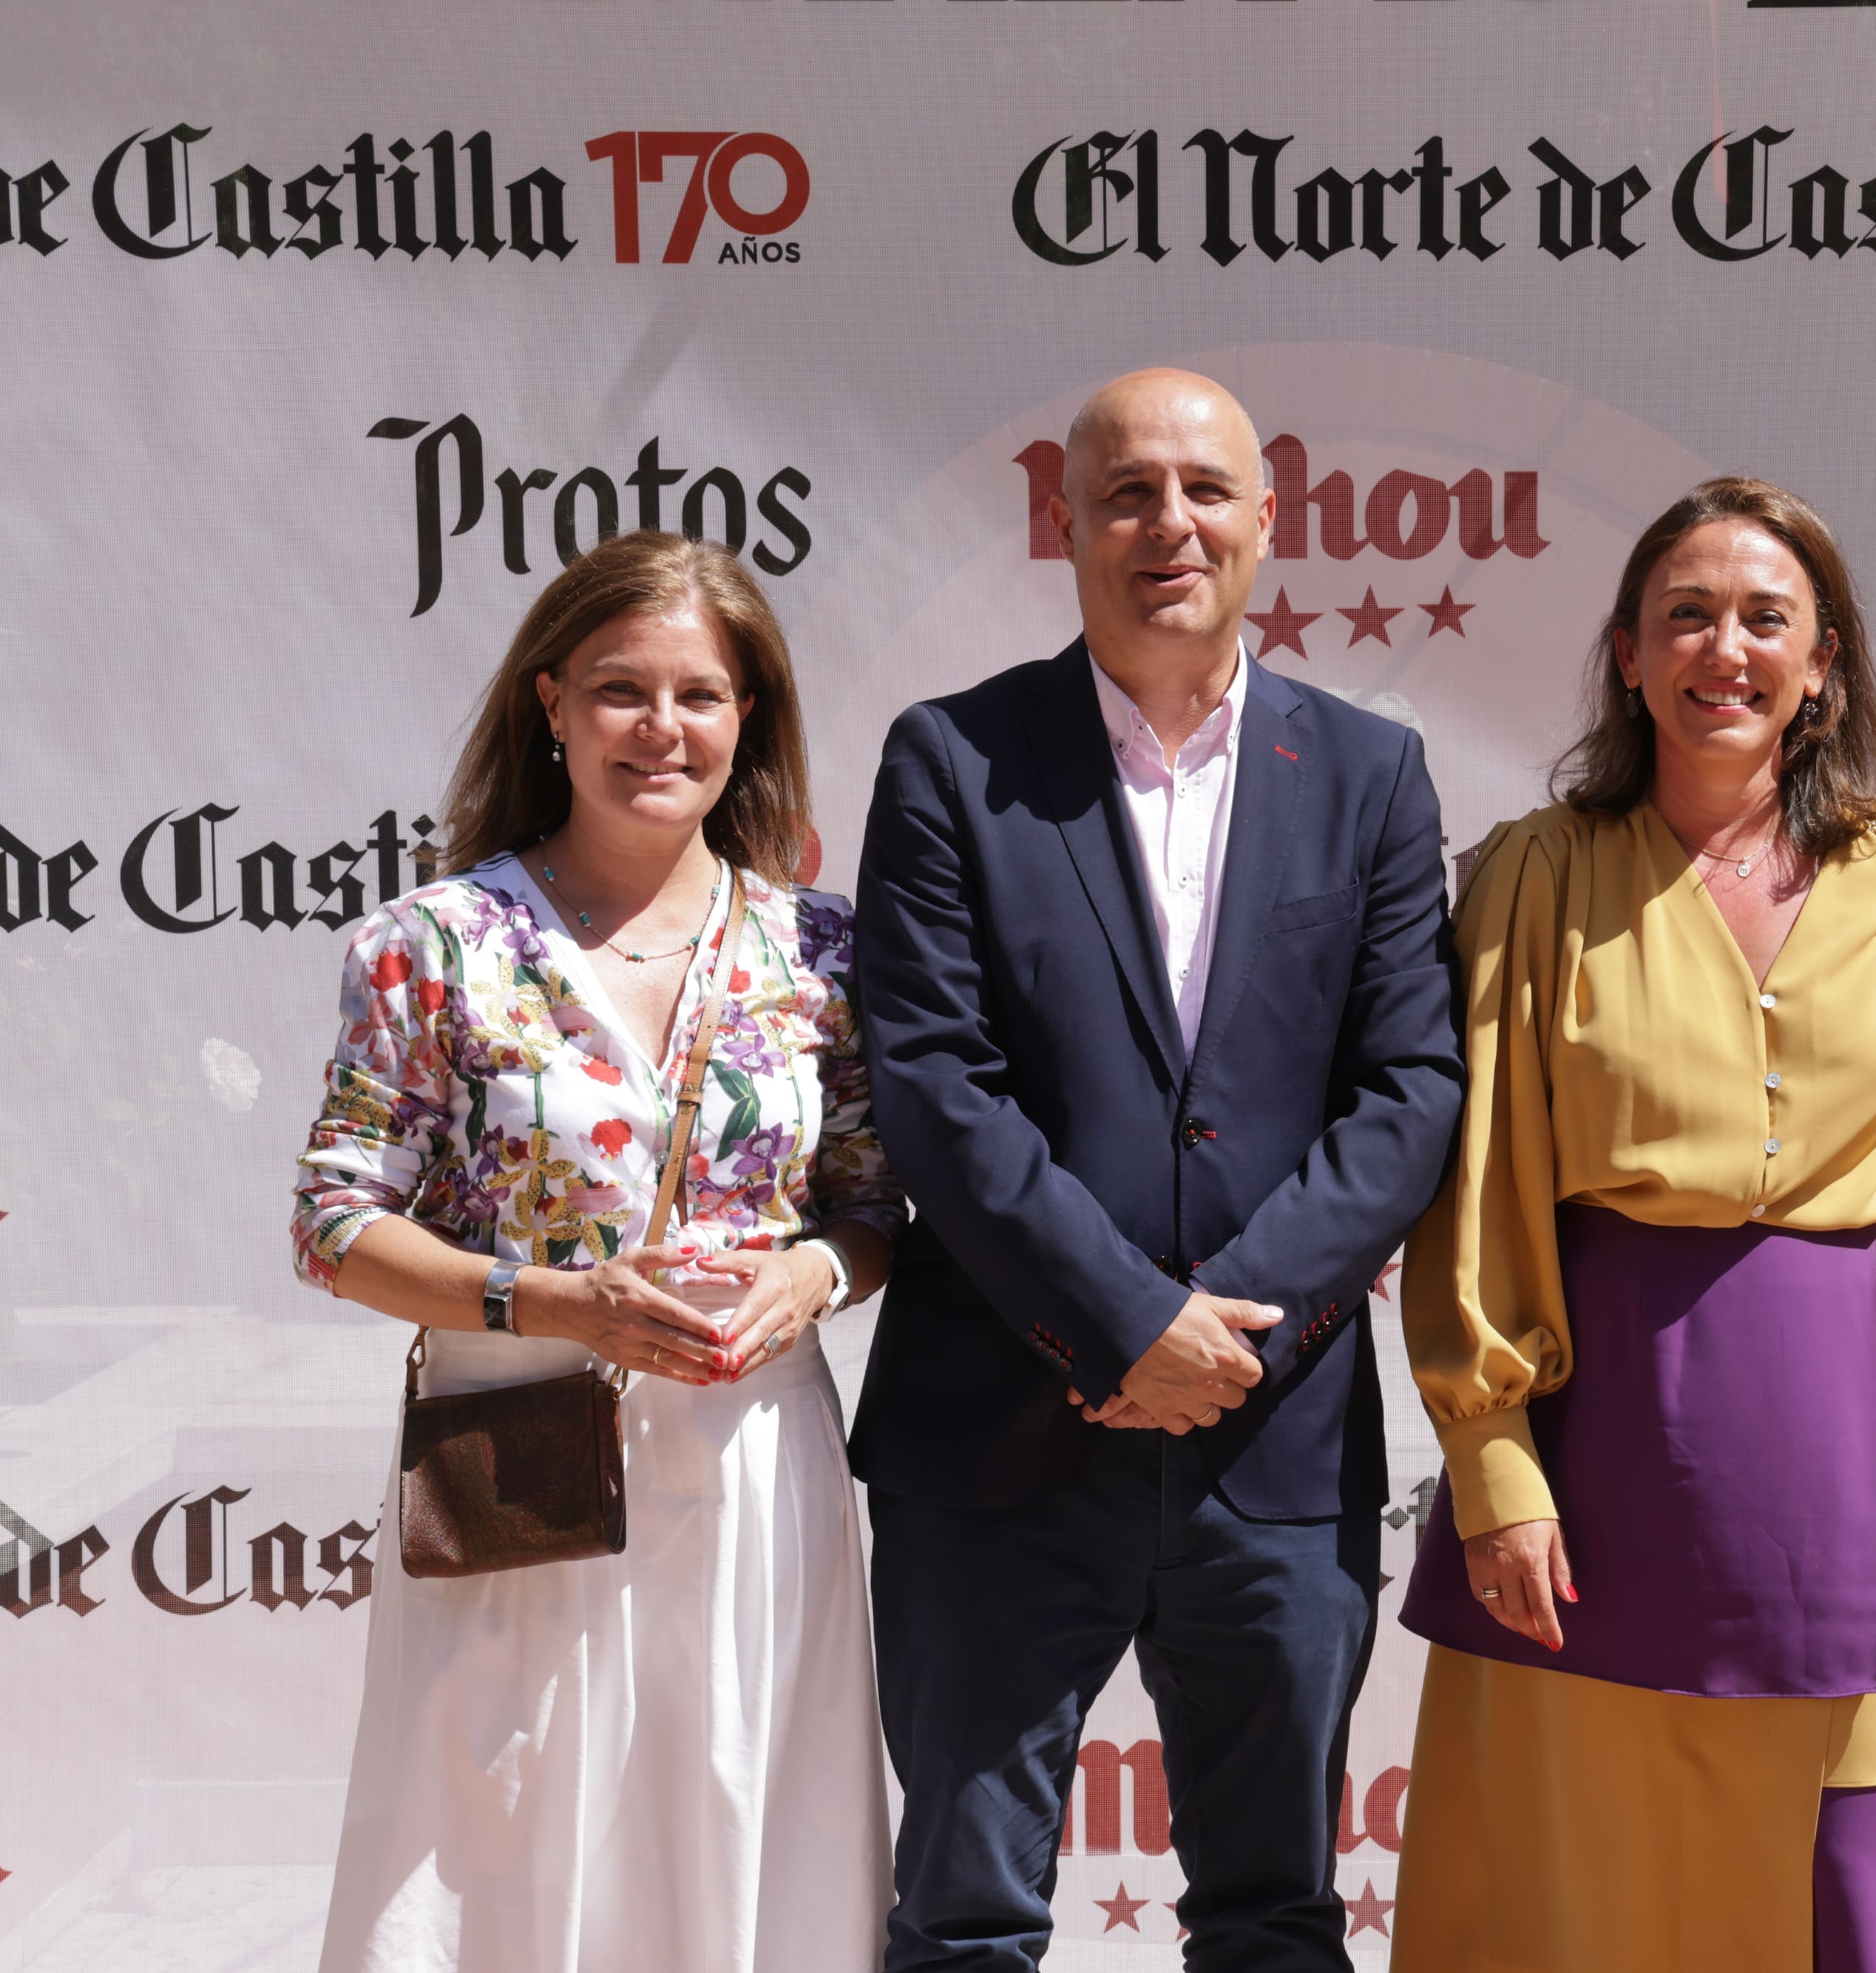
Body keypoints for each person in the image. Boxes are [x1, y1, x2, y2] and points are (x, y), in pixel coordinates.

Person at [1389, 476, 1876, 1973]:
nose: (1725, 648)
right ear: (1629, 657)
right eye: (1686, 616)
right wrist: (1492, 1459)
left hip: (1862, 1447)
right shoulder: (1533, 875)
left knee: (1842, 1862)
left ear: (1822, 661)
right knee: (1584, 1876)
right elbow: (1480, 1191)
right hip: (1593, 1454)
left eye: (1765, 618)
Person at [850, 368, 1463, 1971]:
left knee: (1274, 1921)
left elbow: (1407, 1091)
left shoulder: (1369, 774)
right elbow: (930, 1082)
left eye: (1203, 489)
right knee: (962, 1918)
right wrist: (1125, 1323)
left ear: (1272, 518)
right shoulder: (951, 759)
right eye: (1126, 491)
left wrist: (1221, 1329)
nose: (1166, 523)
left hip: (1270, 1446)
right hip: (995, 1438)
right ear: (1064, 521)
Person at [291, 529, 904, 1972]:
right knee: (508, 1849)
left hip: (755, 1467)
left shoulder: (824, 953)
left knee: (743, 1821)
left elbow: (874, 1207)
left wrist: (810, 1274)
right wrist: (544, 1295)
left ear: (746, 716)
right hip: (518, 1445)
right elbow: (333, 1219)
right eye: (621, 690)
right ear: (551, 704)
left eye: (699, 693)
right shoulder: (428, 944)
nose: (659, 727)